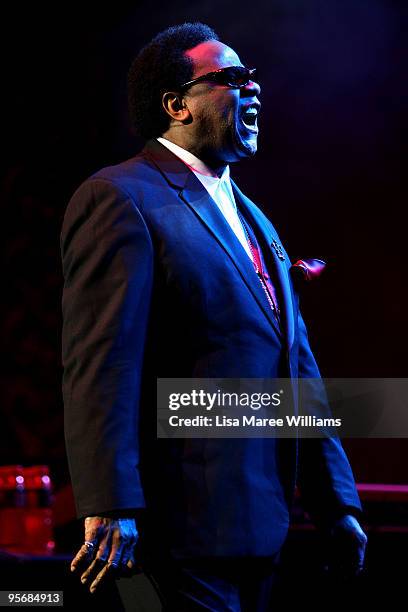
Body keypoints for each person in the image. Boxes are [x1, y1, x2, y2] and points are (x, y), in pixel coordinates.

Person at [61, 22, 367, 611]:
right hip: (176, 532)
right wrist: (111, 502)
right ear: (176, 104)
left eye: (253, 77)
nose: (253, 89)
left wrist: (338, 504)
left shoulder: (256, 219)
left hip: (261, 529)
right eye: (231, 78)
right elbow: (102, 364)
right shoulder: (120, 198)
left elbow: (297, 372)